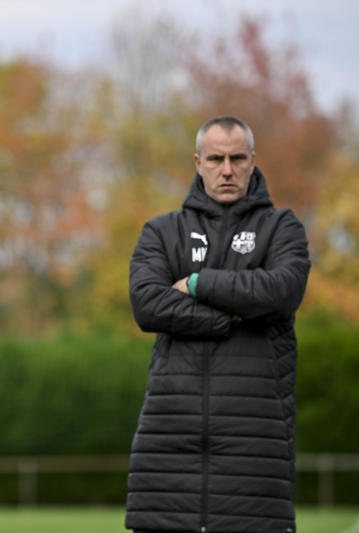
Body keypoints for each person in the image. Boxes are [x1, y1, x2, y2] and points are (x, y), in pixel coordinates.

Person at [125, 116, 310, 533]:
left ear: (252, 160)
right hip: (167, 454)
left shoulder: (282, 227)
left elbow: (282, 290)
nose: (227, 169)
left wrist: (196, 282)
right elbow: (147, 305)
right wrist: (236, 315)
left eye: (237, 158)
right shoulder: (162, 231)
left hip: (255, 458)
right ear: (197, 161)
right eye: (215, 158)